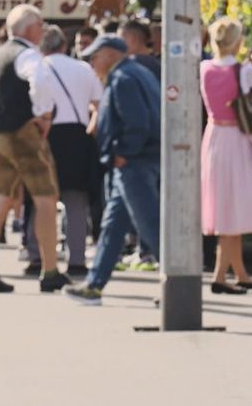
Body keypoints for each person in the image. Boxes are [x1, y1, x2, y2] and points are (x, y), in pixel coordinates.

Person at [0, 5, 69, 294]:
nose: (43, 29)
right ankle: (50, 270)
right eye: (41, 24)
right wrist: (43, 114)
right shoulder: (28, 55)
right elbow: (40, 81)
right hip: (24, 135)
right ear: (30, 28)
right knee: (46, 199)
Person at [65, 35, 162, 305]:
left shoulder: (123, 78)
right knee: (113, 226)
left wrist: (123, 152)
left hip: (133, 163)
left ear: (109, 54)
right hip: (137, 161)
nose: (92, 64)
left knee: (150, 225)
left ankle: (176, 285)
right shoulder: (138, 73)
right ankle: (94, 285)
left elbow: (137, 122)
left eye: (94, 57)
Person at [198, 18, 252, 295]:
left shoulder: (204, 68)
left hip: (214, 136)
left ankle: (235, 274)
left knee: (225, 206)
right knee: (233, 207)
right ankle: (223, 276)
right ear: (238, 42)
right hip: (237, 138)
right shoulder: (243, 71)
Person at [30, 24, 102, 277]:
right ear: (64, 45)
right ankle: (77, 259)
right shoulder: (83, 68)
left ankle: (36, 256)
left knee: (40, 199)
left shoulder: (36, 68)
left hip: (44, 134)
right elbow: (99, 103)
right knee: (76, 202)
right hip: (77, 137)